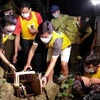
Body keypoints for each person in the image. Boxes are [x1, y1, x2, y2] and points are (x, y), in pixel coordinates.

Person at [23, 21, 71, 86]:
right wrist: (28, 63)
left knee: (63, 64)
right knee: (48, 64)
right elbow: (32, 50)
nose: (43, 39)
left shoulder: (57, 40)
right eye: (41, 36)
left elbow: (53, 62)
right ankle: (49, 83)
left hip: (65, 46)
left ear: (51, 33)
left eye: (45, 37)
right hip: (52, 46)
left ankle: (65, 83)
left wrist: (45, 76)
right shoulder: (38, 35)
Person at [13, 0, 44, 71]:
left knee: (37, 59)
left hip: (37, 39)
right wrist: (15, 53)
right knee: (27, 59)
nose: (24, 14)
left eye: (26, 12)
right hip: (25, 41)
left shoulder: (37, 15)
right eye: (22, 12)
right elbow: (17, 36)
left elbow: (43, 29)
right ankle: (29, 77)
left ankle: (38, 76)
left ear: (30, 9)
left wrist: (36, 31)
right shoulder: (19, 19)